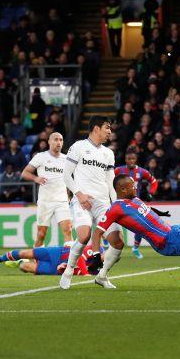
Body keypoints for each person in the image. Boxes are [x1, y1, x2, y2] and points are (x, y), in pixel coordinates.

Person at [60, 116, 122, 290]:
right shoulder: (78, 147)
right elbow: (66, 175)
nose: (110, 131)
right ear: (96, 128)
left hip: (103, 204)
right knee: (84, 235)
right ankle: (69, 269)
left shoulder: (108, 153)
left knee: (118, 242)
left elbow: (111, 182)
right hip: (82, 202)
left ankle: (102, 276)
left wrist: (116, 205)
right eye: (107, 127)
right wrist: (79, 195)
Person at [21, 132, 73, 247]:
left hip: (62, 200)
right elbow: (25, 173)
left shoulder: (66, 160)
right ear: (49, 142)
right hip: (46, 200)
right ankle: (37, 261)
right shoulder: (41, 156)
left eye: (61, 140)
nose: (58, 142)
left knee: (68, 230)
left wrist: (69, 196)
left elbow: (69, 180)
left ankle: (69, 263)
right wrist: (36, 178)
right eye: (55, 139)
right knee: (41, 234)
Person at [115, 149, 159, 259]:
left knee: (140, 225)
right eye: (128, 159)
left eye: (133, 159)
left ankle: (135, 247)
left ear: (136, 160)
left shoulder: (141, 171)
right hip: (119, 202)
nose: (130, 161)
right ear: (125, 159)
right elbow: (107, 179)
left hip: (134, 203)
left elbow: (153, 182)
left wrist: (151, 193)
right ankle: (106, 243)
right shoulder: (118, 170)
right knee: (112, 223)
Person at [0, 245, 100, 276]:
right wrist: (84, 273)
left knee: (24, 267)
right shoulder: (96, 250)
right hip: (57, 253)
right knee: (24, 253)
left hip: (57, 270)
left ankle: (19, 262)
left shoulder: (100, 269)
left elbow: (91, 273)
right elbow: (79, 256)